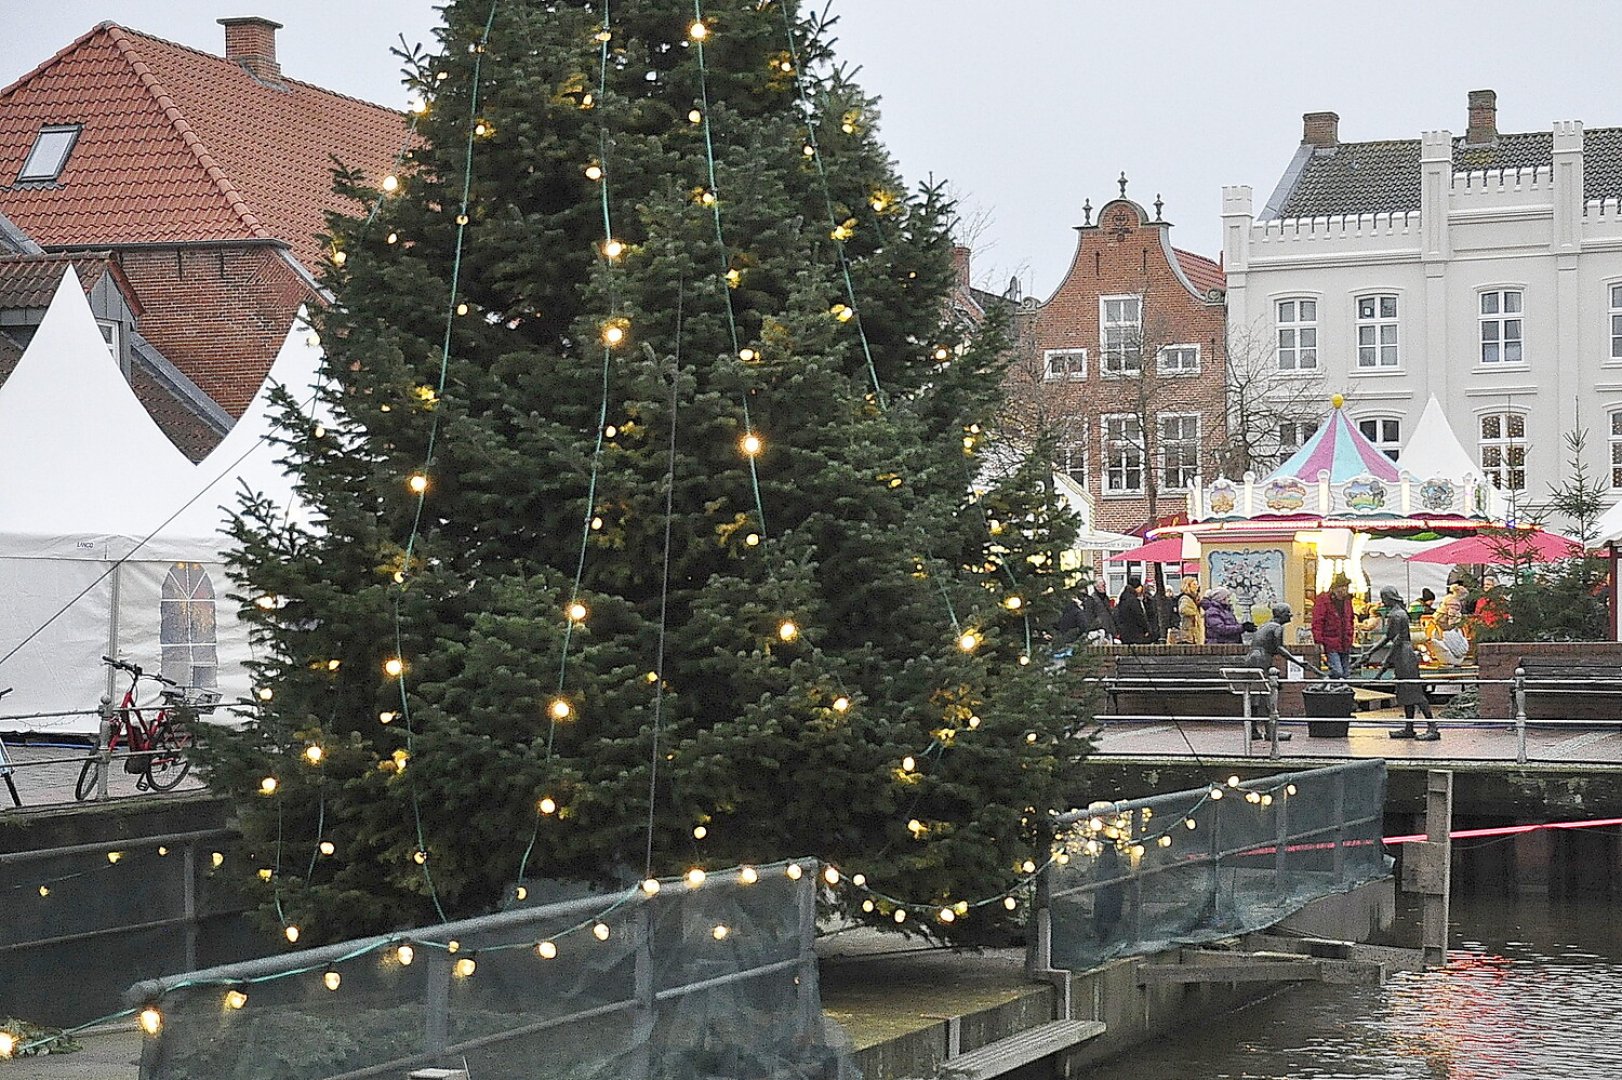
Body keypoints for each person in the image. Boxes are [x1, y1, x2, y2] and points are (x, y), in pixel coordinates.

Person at [1362, 585, 1440, 740]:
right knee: (1405, 692)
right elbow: (1390, 638)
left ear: (1389, 597)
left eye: (1383, 597)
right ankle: (1409, 727)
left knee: (1415, 693)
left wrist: (1382, 662)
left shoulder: (1396, 615)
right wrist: (1370, 652)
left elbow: (1394, 640)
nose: (1382, 601)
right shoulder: (1399, 613)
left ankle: (1433, 727)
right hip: (1404, 654)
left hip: (1404, 656)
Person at [1242, 604, 1322, 741]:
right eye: (1288, 613)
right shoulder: (1277, 628)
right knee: (1269, 694)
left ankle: (1254, 730)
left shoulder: (1266, 626)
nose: (1290, 615)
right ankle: (1270, 732)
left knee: (1255, 696)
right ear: (1281, 614)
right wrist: (1297, 662)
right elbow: (1279, 648)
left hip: (1252, 659)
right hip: (1262, 659)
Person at [1310, 573, 1356, 680]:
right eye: (1340, 589)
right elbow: (1317, 622)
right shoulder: (1324, 601)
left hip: (1345, 641)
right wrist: (1319, 641)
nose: (1343, 592)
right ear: (1334, 588)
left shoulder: (1347, 601)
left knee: (1346, 674)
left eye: (1345, 588)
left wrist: (1350, 635)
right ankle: (1328, 683)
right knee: (1337, 671)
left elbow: (1351, 619)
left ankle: (1341, 693)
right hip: (1330, 642)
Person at [1115, 577, 1153, 645]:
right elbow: (1139, 616)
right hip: (1135, 633)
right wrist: (1147, 629)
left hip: (1125, 633)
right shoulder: (1133, 600)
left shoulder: (1123, 598)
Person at [1081, 578, 1118, 643]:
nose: (1104, 587)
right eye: (1103, 585)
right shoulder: (1092, 599)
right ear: (1097, 587)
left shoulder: (1105, 598)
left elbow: (1109, 614)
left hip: (1109, 630)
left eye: (1104, 585)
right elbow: (1090, 616)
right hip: (1100, 631)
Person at [1175, 578, 1205, 645]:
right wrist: (1194, 613)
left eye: (1197, 584)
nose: (1196, 587)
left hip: (1193, 632)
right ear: (1188, 586)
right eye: (1194, 584)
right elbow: (1183, 609)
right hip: (1189, 633)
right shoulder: (1186, 598)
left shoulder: (1193, 598)